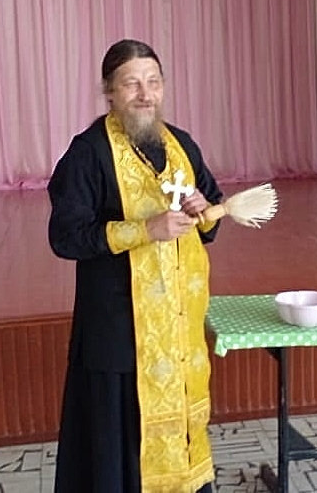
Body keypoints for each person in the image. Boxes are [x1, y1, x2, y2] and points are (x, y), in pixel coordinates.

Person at [48, 39, 222, 492]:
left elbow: (211, 215)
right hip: (119, 332)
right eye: (132, 84)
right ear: (109, 92)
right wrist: (145, 229)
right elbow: (65, 237)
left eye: (153, 82)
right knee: (118, 447)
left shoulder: (181, 144)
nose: (145, 94)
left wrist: (203, 209)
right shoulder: (88, 153)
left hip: (177, 333)